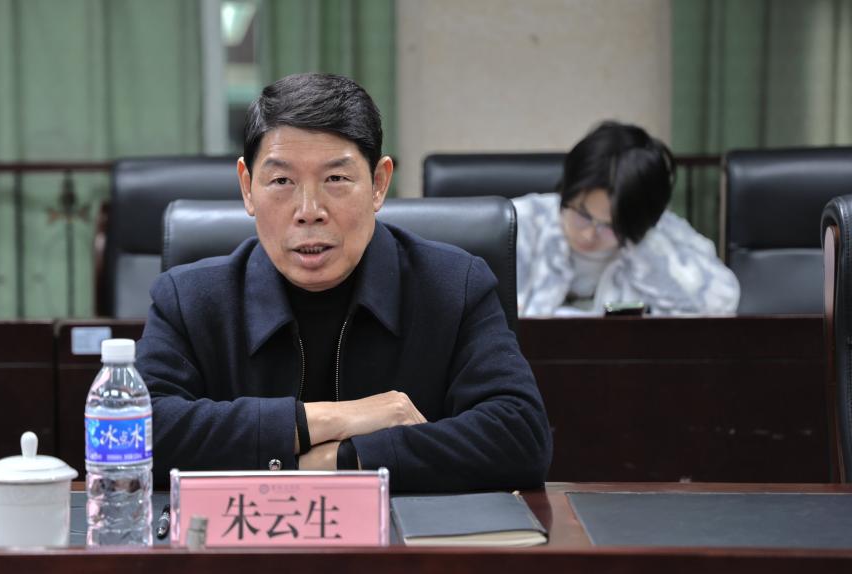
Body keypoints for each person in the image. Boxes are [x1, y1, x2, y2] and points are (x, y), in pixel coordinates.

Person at [135, 73, 551, 493]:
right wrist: (338, 418)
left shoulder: (454, 287)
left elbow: (519, 436)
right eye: (281, 181)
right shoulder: (189, 300)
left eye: (336, 179)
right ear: (247, 187)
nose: (309, 210)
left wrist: (338, 462)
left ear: (378, 184)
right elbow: (138, 433)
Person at [513, 121, 740, 316]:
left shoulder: (660, 235)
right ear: (566, 191)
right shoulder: (520, 223)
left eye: (611, 226)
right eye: (583, 214)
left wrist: (643, 243)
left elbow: (722, 301)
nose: (589, 234)